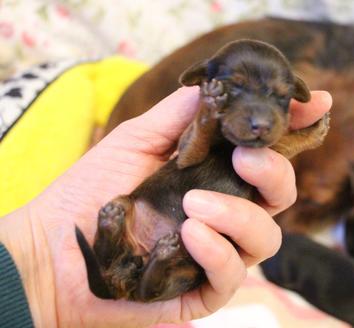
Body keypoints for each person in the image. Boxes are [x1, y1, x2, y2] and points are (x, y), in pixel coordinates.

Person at [0, 86, 332, 327]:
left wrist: (44, 278)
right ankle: (140, 251)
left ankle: (144, 255)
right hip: (152, 231)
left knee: (167, 276)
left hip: (163, 254)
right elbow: (192, 149)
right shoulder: (207, 118)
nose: (257, 117)